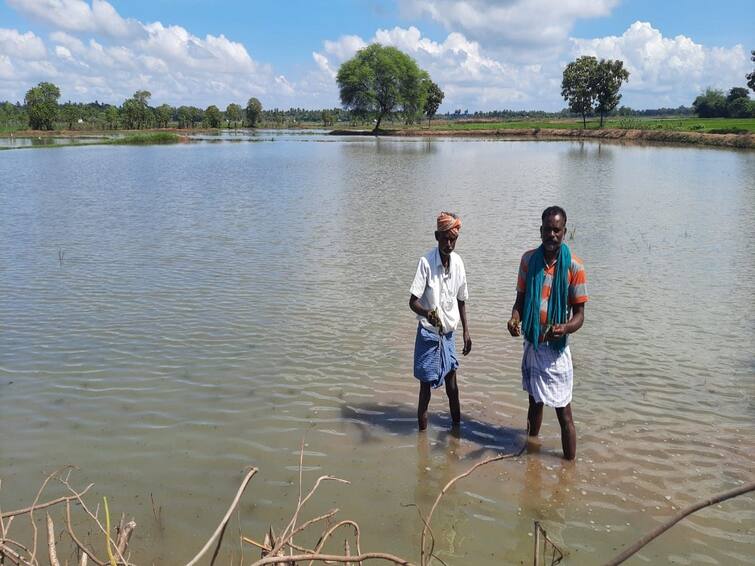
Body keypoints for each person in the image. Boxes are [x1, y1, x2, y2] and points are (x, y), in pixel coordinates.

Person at [507, 206, 587, 460]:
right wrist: (514, 319)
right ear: (540, 231)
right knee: (534, 403)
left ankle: (569, 468)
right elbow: (520, 301)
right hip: (533, 343)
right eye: (547, 229)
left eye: (557, 230)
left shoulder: (574, 266)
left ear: (565, 232)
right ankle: (532, 457)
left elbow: (579, 315)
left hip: (556, 349)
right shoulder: (529, 260)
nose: (552, 234)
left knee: (564, 412)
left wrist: (565, 328)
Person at [409, 212, 472, 431]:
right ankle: (422, 438)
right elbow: (413, 301)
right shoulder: (426, 262)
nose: (448, 243)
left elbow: (461, 299)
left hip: (447, 335)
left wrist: (466, 332)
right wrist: (427, 313)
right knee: (425, 390)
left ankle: (457, 431)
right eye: (444, 238)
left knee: (452, 386)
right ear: (437, 236)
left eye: (452, 239)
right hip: (428, 334)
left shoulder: (458, 263)